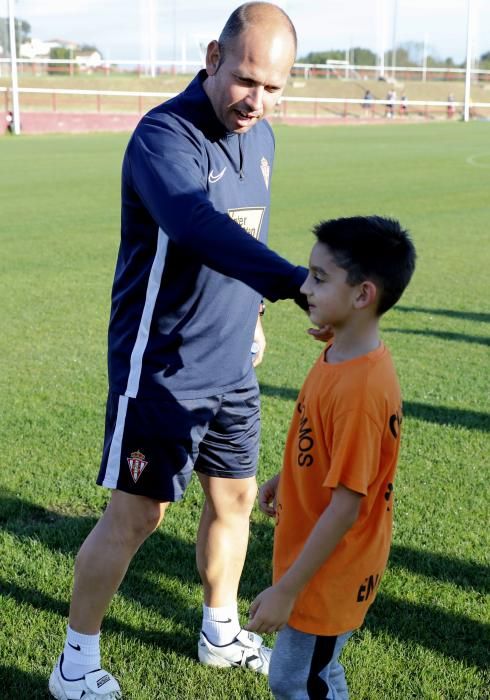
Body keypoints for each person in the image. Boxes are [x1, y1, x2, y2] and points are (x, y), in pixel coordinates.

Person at [48, 4, 310, 699]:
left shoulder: (263, 141)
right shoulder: (164, 135)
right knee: (138, 514)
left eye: (274, 88)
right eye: (248, 79)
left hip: (232, 365)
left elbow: (246, 228)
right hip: (161, 367)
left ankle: (219, 631)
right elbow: (193, 223)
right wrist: (290, 283)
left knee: (235, 499)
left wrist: (254, 314)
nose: (257, 101)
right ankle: (75, 661)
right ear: (213, 57)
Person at [247, 215, 416, 699]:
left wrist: (287, 590)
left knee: (294, 679)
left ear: (363, 295)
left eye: (319, 278)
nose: (304, 287)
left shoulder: (361, 390)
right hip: (314, 556)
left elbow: (346, 506)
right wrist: (289, 475)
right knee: (318, 673)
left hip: (329, 570)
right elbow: (323, 443)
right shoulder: (338, 350)